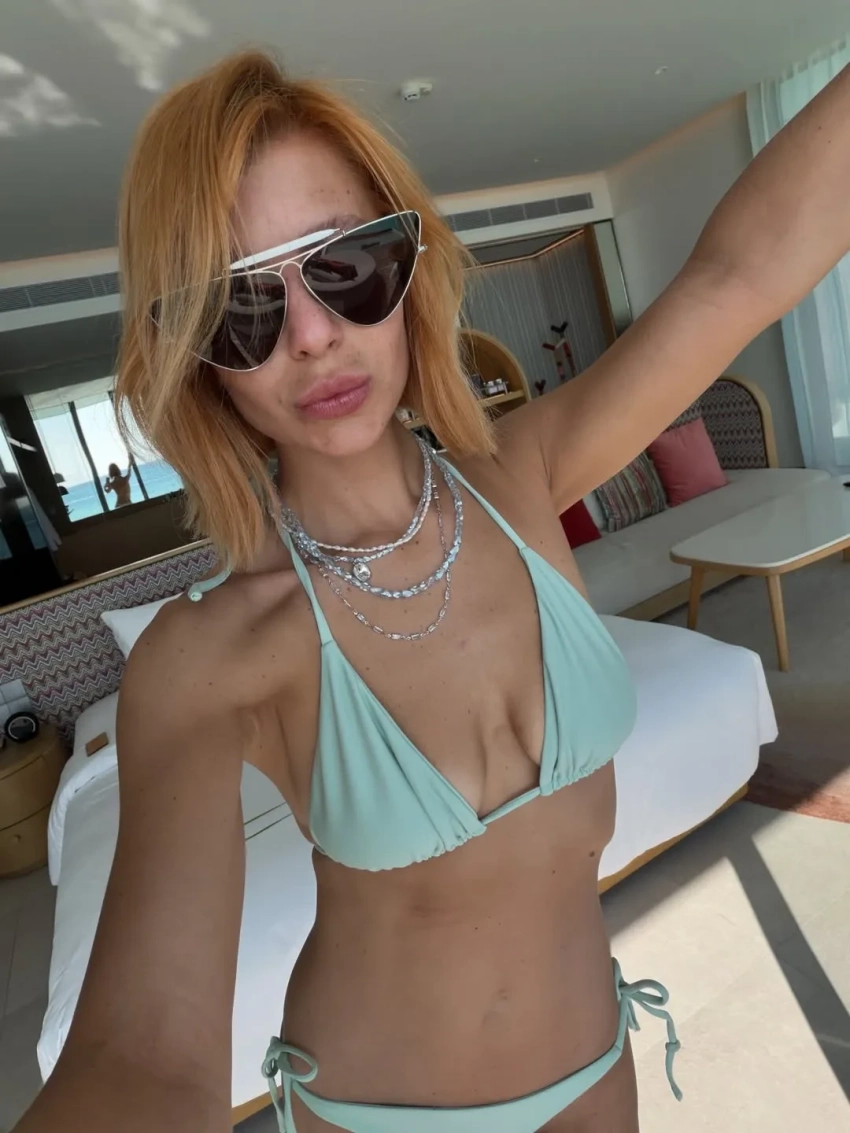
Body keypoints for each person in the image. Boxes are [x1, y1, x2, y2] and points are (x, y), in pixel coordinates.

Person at [15, 49, 850, 1133]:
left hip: (597, 1060)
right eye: (242, 307)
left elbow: (737, 274)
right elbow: (141, 1050)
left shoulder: (525, 475)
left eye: (346, 264)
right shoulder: (205, 655)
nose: (314, 333)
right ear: (196, 356)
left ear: (407, 263)